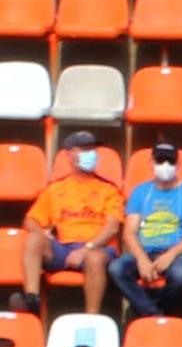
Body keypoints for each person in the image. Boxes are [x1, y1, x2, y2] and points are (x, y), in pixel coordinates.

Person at [17, 131, 120, 319]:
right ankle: (32, 299)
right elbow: (30, 221)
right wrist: (43, 233)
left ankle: (92, 317)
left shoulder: (108, 189)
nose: (91, 153)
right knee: (33, 239)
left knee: (94, 258)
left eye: (92, 149)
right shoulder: (56, 189)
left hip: (97, 248)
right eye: (84, 149)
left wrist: (86, 249)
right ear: (69, 155)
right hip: (63, 248)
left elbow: (112, 227)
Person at [108, 141, 182, 318]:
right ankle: (155, 315)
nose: (165, 166)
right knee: (116, 269)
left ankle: (147, 314)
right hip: (144, 251)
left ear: (178, 164)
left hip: (178, 253)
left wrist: (171, 254)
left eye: (170, 161)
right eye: (160, 161)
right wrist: (142, 259)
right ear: (152, 162)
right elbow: (129, 233)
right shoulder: (140, 191)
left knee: (179, 275)